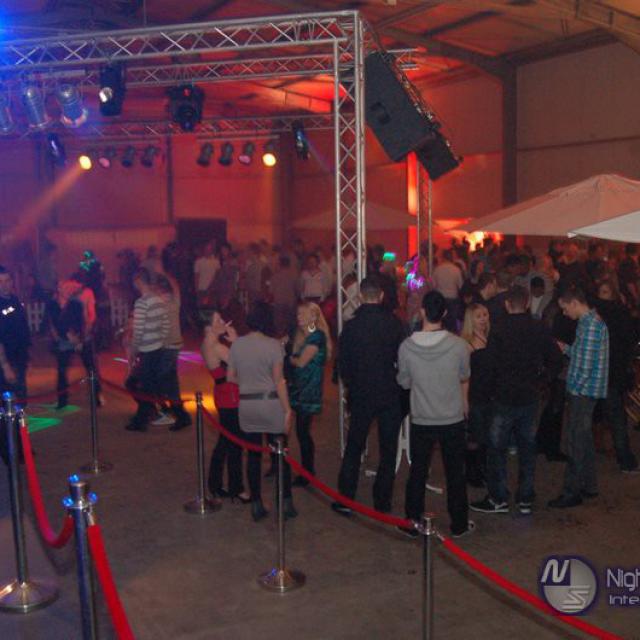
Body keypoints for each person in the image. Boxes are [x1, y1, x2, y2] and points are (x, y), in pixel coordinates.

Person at [471, 285, 562, 516]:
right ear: (527, 303)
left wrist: (487, 391)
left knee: (497, 448)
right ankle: (525, 497)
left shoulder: (499, 329)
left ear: (507, 304)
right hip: (529, 396)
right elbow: (556, 358)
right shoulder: (538, 327)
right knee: (527, 448)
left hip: (503, 396)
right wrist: (543, 380)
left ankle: (498, 497)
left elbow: (490, 365)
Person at [396, 291, 474, 539]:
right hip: (451, 416)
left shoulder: (407, 347)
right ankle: (459, 523)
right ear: (445, 313)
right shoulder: (459, 346)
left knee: (418, 471)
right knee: (455, 473)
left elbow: (404, 382)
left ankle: (412, 520)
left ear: (422, 312)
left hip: (422, 417)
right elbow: (464, 375)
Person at [334, 276, 405, 516]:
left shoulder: (351, 327)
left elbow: (343, 364)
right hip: (389, 391)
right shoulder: (394, 323)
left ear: (361, 296)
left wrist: (351, 384)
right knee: (388, 448)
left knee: (354, 445)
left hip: (362, 392)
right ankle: (382, 501)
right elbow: (403, 358)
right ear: (381, 296)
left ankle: (346, 497)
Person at [227, 302, 296, 522]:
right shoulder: (273, 345)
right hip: (270, 403)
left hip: (247, 405)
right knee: (280, 454)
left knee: (253, 455)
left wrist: (248, 384)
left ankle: (256, 503)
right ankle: (286, 502)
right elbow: (279, 380)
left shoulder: (237, 345)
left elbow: (230, 377)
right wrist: (287, 410)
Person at [548, 287, 609, 509]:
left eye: (565, 308)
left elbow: (585, 366)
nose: (565, 313)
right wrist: (565, 348)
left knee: (575, 441)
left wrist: (574, 389)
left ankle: (571, 492)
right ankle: (589, 485)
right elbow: (582, 354)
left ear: (574, 302)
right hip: (585, 391)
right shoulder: (587, 322)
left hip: (583, 392)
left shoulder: (590, 325)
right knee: (584, 439)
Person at [203, 312, 250, 503]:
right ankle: (236, 488)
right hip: (230, 396)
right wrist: (236, 341)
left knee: (225, 441)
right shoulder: (217, 347)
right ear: (208, 326)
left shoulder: (206, 343)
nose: (223, 322)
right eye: (218, 320)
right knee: (234, 442)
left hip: (223, 393)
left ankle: (215, 484)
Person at [593, 280, 639, 473]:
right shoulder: (620, 314)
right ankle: (625, 459)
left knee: (604, 414)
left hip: (603, 372)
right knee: (617, 417)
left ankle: (597, 449)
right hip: (614, 373)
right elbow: (630, 341)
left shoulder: (596, 315)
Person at [287, 302, 331, 486]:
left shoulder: (317, 337)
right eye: (298, 314)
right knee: (301, 432)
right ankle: (305, 470)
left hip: (308, 390)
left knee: (303, 432)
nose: (299, 317)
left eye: (303, 314)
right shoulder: (302, 335)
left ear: (313, 317)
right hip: (299, 388)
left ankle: (307, 472)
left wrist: (289, 357)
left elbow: (301, 362)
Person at [125, 268, 170, 432]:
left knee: (137, 385)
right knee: (148, 386)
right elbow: (166, 326)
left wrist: (134, 349)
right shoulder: (159, 301)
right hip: (158, 349)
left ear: (139, 281)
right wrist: (161, 342)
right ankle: (147, 415)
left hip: (146, 350)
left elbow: (138, 331)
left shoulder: (142, 303)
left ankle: (143, 419)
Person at [461, 303, 492, 487]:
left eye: (485, 315)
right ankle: (472, 473)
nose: (483, 319)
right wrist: (464, 400)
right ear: (470, 320)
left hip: (488, 393)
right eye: (479, 316)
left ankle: (482, 470)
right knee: (474, 436)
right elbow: (464, 376)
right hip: (474, 394)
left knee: (485, 435)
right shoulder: (467, 343)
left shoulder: (489, 338)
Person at [155, 275, 192, 431]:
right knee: (170, 381)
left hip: (169, 347)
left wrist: (164, 274)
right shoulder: (170, 301)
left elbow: (175, 287)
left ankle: (174, 414)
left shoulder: (166, 302)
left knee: (164, 381)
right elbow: (176, 287)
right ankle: (177, 414)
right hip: (171, 346)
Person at [0, 266, 31, 402]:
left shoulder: (15, 300)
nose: (4, 285)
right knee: (7, 401)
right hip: (5, 359)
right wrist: (5, 365)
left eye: (7, 280)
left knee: (20, 398)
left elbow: (22, 327)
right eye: (0, 281)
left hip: (19, 358)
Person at [432, 249, 463, 332]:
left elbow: (433, 285)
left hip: (440, 298)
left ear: (443, 257)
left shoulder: (438, 269)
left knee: (441, 321)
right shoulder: (456, 270)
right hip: (453, 298)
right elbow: (460, 286)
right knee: (452, 322)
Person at [271, 255, 298, 336]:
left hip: (278, 302)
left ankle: (280, 338)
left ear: (280, 264)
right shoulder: (294, 275)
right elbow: (298, 289)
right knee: (290, 323)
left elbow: (271, 290)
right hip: (290, 302)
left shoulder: (275, 276)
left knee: (279, 324)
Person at [194, 242, 220, 308]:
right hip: (201, 289)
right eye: (206, 249)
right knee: (201, 309)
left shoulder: (216, 262)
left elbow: (218, 276)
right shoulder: (198, 262)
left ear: (212, 250)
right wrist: (196, 290)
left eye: (209, 249)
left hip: (212, 290)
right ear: (204, 250)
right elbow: (196, 276)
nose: (208, 251)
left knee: (212, 309)